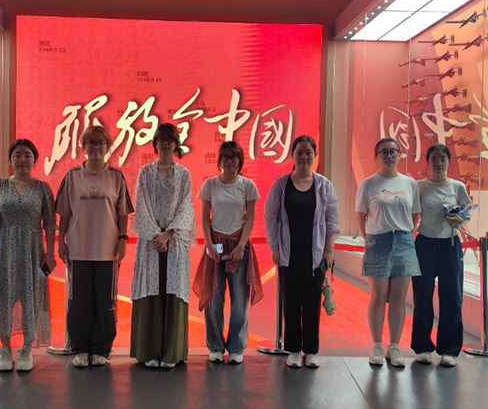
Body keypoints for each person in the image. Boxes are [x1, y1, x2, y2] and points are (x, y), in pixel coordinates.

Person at [56, 125, 134, 368]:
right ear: (84, 146)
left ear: (108, 146)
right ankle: (80, 348)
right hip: (78, 249)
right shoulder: (72, 177)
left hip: (107, 251)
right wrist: (61, 240)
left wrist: (122, 239)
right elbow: (65, 214)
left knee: (105, 302)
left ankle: (101, 348)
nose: (96, 147)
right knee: (79, 302)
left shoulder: (116, 177)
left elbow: (122, 213)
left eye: (100, 143)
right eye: (91, 142)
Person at [0, 139, 56, 372]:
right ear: (10, 160)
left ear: (35, 160)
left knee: (31, 298)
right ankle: (5, 350)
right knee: (3, 298)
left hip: (33, 251)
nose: (22, 160)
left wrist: (50, 254)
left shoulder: (42, 188)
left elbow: (49, 224)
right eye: (17, 155)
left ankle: (26, 350)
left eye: (27, 155)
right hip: (5, 250)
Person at [264, 135, 339, 368]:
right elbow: (270, 218)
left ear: (315, 155)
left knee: (312, 302)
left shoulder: (324, 185)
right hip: (289, 253)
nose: (304, 157)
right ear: (292, 155)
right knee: (291, 302)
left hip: (315, 254)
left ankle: (311, 350)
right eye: (299, 152)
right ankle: (294, 349)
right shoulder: (281, 185)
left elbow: (332, 220)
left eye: (308, 153)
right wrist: (275, 247)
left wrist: (329, 249)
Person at [130, 123, 196, 368]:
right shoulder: (145, 172)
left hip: (175, 242)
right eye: (161, 139)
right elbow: (141, 205)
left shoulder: (184, 174)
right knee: (151, 291)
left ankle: (170, 353)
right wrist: (156, 236)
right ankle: (149, 351)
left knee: (173, 292)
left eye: (170, 139)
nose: (165, 143)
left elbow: (187, 207)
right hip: (151, 243)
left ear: (176, 143)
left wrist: (168, 234)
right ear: (155, 143)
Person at [193, 141, 264, 364]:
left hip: (239, 247)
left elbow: (250, 219)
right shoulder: (210, 185)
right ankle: (215, 346)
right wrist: (209, 245)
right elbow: (205, 218)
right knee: (213, 299)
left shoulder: (248, 185)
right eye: (225, 157)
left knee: (240, 300)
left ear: (240, 160)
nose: (229, 161)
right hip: (215, 246)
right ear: (220, 160)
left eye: (233, 157)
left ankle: (236, 347)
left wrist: (241, 245)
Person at [356, 137, 421, 367]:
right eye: (384, 152)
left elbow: (416, 214)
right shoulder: (368, 184)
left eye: (393, 151)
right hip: (378, 241)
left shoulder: (410, 183)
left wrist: (407, 233)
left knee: (398, 298)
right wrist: (368, 238)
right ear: (377, 156)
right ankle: (377, 345)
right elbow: (361, 215)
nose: (389, 156)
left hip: (404, 241)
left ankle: (394, 346)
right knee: (378, 295)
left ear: (400, 154)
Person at [411, 143, 471, 367]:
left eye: (442, 158)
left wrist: (460, 220)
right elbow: (412, 214)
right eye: (434, 159)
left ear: (448, 161)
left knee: (452, 297)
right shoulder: (419, 186)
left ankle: (449, 350)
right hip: (424, 245)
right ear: (427, 162)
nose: (438, 163)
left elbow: (466, 213)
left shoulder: (457, 187)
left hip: (450, 245)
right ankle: (422, 347)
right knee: (422, 296)